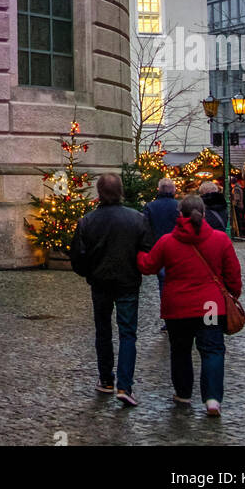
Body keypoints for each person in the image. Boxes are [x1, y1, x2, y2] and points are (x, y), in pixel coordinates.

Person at [138, 194, 242, 417]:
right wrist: (234, 294)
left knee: (181, 350)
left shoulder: (167, 241)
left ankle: (183, 393)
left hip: (178, 308)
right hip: (210, 306)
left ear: (179, 215)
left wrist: (137, 253)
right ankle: (212, 399)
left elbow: (148, 266)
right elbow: (233, 274)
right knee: (212, 350)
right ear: (203, 214)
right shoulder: (220, 239)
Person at [70, 173, 152, 407]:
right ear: (121, 191)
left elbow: (77, 257)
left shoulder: (87, 221)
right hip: (127, 283)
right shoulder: (137, 219)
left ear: (99, 192)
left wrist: (90, 273)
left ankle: (106, 379)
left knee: (103, 332)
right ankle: (125, 385)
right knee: (128, 334)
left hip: (100, 283)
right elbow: (147, 250)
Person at [142, 178, 180, 329]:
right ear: (173, 190)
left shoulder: (150, 207)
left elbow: (145, 229)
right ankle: (180, 315)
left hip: (159, 250)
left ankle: (168, 318)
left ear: (158, 190)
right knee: (179, 282)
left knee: (163, 285)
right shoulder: (179, 206)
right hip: (178, 250)